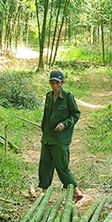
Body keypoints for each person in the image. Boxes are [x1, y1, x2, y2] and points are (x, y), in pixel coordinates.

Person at [39, 69, 83, 201]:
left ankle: (76, 191)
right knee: (45, 164)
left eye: (57, 83)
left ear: (62, 83)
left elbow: (75, 114)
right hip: (47, 138)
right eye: (52, 83)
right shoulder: (48, 96)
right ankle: (44, 193)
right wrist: (44, 131)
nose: (55, 86)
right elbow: (46, 116)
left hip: (60, 139)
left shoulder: (68, 97)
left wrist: (64, 124)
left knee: (62, 166)